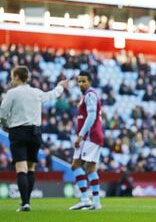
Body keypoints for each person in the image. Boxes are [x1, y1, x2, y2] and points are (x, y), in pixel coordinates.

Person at [0, 66, 68, 211]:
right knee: (31, 168)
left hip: (18, 132)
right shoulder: (36, 92)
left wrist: (6, 126)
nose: (12, 79)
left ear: (17, 77)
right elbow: (52, 95)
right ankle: (27, 202)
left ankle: (24, 203)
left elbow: (2, 114)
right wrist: (60, 87)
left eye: (13, 76)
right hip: (35, 133)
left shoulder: (11, 93)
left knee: (21, 168)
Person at [69, 71, 104, 210]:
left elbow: (91, 116)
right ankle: (96, 202)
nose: (81, 84)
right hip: (96, 136)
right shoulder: (89, 95)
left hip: (90, 137)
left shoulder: (90, 95)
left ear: (90, 82)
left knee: (75, 165)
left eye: (84, 81)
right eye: (79, 81)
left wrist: (81, 135)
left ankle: (84, 199)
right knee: (90, 169)